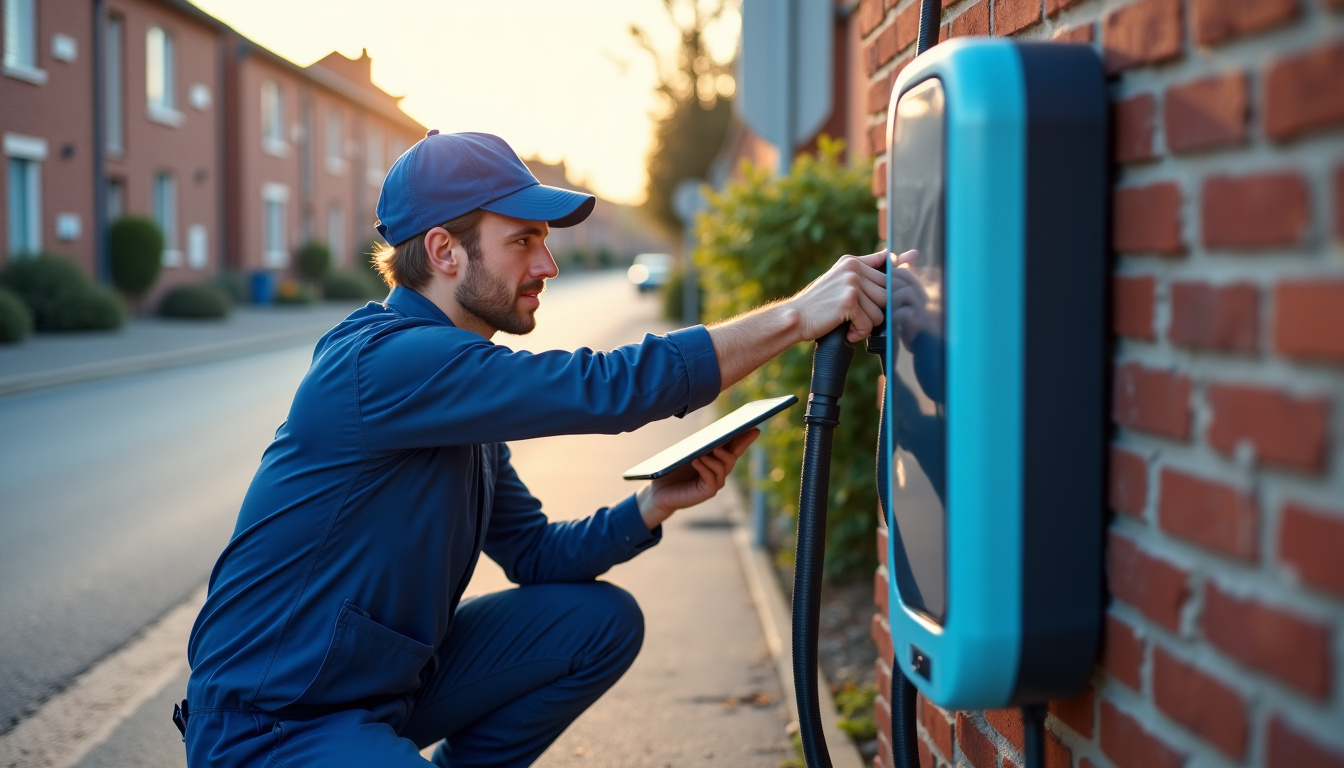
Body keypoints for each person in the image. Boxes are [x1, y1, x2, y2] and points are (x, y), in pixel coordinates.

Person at [180, 130, 889, 768]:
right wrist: (799, 314)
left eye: (545, 241)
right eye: (523, 241)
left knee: (597, 624)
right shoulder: (385, 365)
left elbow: (536, 556)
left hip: (382, 692)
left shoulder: (459, 396)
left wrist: (652, 505)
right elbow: (609, 389)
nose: (547, 264)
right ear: (444, 251)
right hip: (276, 722)